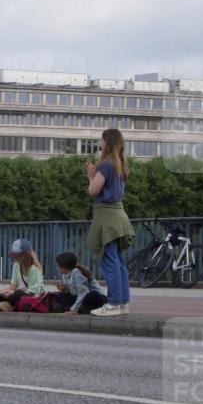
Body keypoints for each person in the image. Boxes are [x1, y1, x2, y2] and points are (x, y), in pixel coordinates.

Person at [86, 128, 134, 316]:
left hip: (106, 217)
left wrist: (91, 175)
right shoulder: (121, 165)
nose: (100, 143)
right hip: (119, 215)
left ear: (107, 142)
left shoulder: (105, 165)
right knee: (119, 262)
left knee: (109, 260)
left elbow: (93, 190)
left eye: (101, 140)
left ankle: (113, 303)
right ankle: (122, 303)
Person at [0, 239, 44, 312]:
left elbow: (34, 292)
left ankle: (8, 306)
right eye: (14, 256)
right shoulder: (16, 266)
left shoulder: (34, 269)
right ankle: (8, 305)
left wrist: (13, 293)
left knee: (15, 295)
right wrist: (3, 292)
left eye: (18, 256)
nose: (15, 258)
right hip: (17, 294)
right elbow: (13, 286)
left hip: (30, 296)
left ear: (26, 255)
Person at [49, 251, 108, 315]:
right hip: (82, 299)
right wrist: (64, 289)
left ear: (66, 266)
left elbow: (83, 292)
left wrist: (73, 309)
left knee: (92, 295)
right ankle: (81, 309)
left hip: (96, 299)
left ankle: (73, 309)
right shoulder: (65, 274)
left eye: (59, 266)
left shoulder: (77, 272)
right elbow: (74, 292)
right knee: (61, 295)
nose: (58, 268)